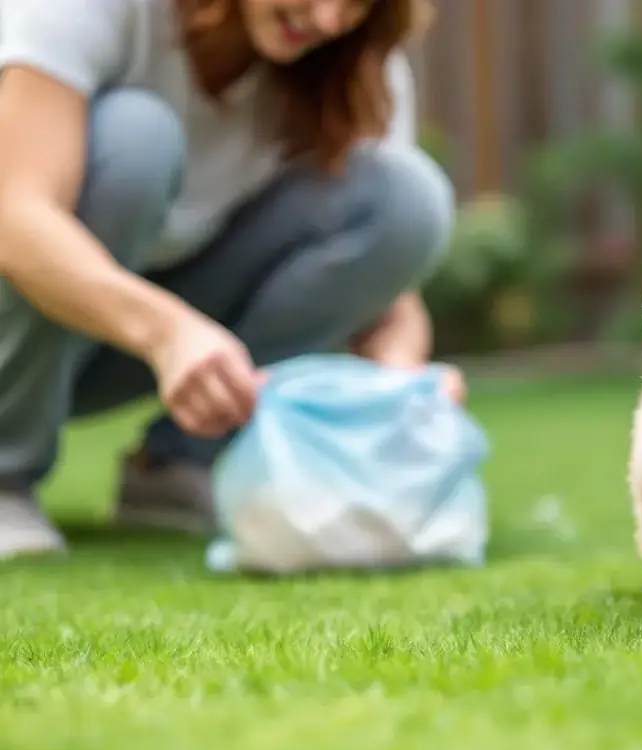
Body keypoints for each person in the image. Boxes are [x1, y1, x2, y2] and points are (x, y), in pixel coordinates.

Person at [0, 0, 463, 559]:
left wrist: (403, 387)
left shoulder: (354, 59)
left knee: (406, 202)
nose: (327, 19)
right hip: (19, 320)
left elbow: (391, 296)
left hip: (123, 346)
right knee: (136, 139)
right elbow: (15, 219)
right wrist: (166, 332)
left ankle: (182, 466)